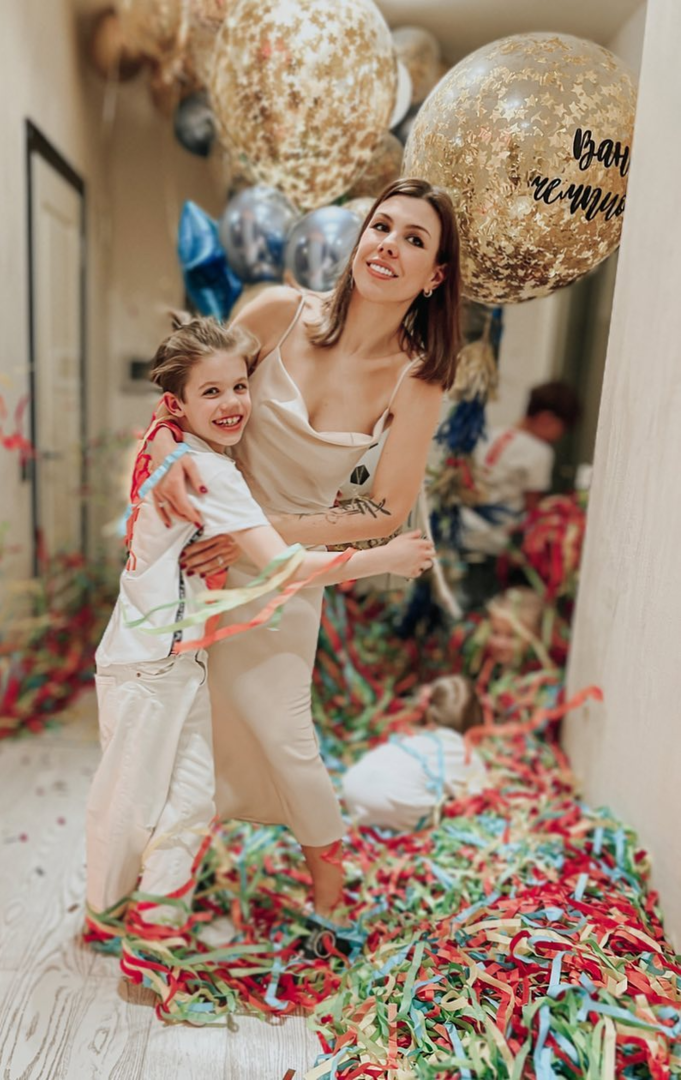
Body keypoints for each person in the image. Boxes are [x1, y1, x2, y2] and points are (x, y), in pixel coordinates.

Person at [145, 178, 464, 920]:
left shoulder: (418, 378)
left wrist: (254, 532)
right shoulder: (276, 311)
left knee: (286, 737)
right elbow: (184, 402)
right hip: (194, 558)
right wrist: (170, 466)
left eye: (414, 239)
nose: (389, 245)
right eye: (381, 226)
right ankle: (157, 884)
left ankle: (331, 902)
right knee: (173, 724)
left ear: (435, 275)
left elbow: (383, 512)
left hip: (284, 576)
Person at [85, 315, 436, 937]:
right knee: (131, 804)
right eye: (211, 392)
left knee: (190, 801)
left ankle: (153, 930)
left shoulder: (181, 449)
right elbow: (284, 568)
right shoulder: (212, 472)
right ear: (178, 404)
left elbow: (164, 438)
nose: (232, 403)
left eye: (240, 386)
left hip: (173, 661)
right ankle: (107, 919)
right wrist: (387, 558)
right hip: (147, 665)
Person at [460, 381, 581, 607]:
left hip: (462, 531)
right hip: (494, 544)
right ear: (546, 419)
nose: (560, 437)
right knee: (485, 610)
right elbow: (533, 508)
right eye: (562, 428)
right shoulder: (539, 451)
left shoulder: (490, 435)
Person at [341, 675, 487, 832]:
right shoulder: (466, 754)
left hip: (351, 790)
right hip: (394, 807)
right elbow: (477, 796)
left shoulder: (413, 739)